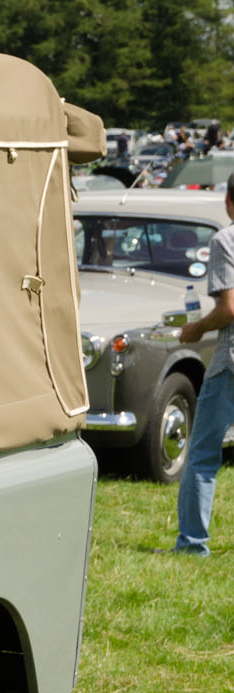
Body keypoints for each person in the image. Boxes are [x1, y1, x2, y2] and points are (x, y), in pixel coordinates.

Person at [171, 176, 234, 554]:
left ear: (228, 200)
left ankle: (193, 543)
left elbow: (229, 308)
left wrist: (197, 328)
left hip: (231, 361)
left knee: (203, 452)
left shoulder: (224, 240)